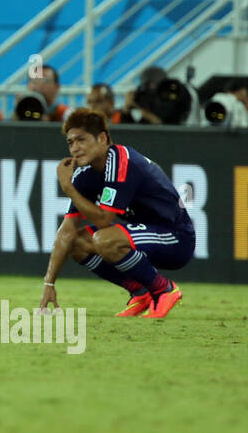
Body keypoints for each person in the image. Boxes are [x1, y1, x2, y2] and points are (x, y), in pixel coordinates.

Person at [39, 109, 194, 319]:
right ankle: (140, 293)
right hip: (146, 235)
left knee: (104, 239)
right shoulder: (86, 174)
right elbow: (67, 231)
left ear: (102, 138)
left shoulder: (122, 161)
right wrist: (49, 283)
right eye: (71, 142)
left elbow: (104, 220)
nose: (75, 148)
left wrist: (68, 189)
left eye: (81, 140)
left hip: (176, 238)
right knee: (76, 242)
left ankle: (163, 290)